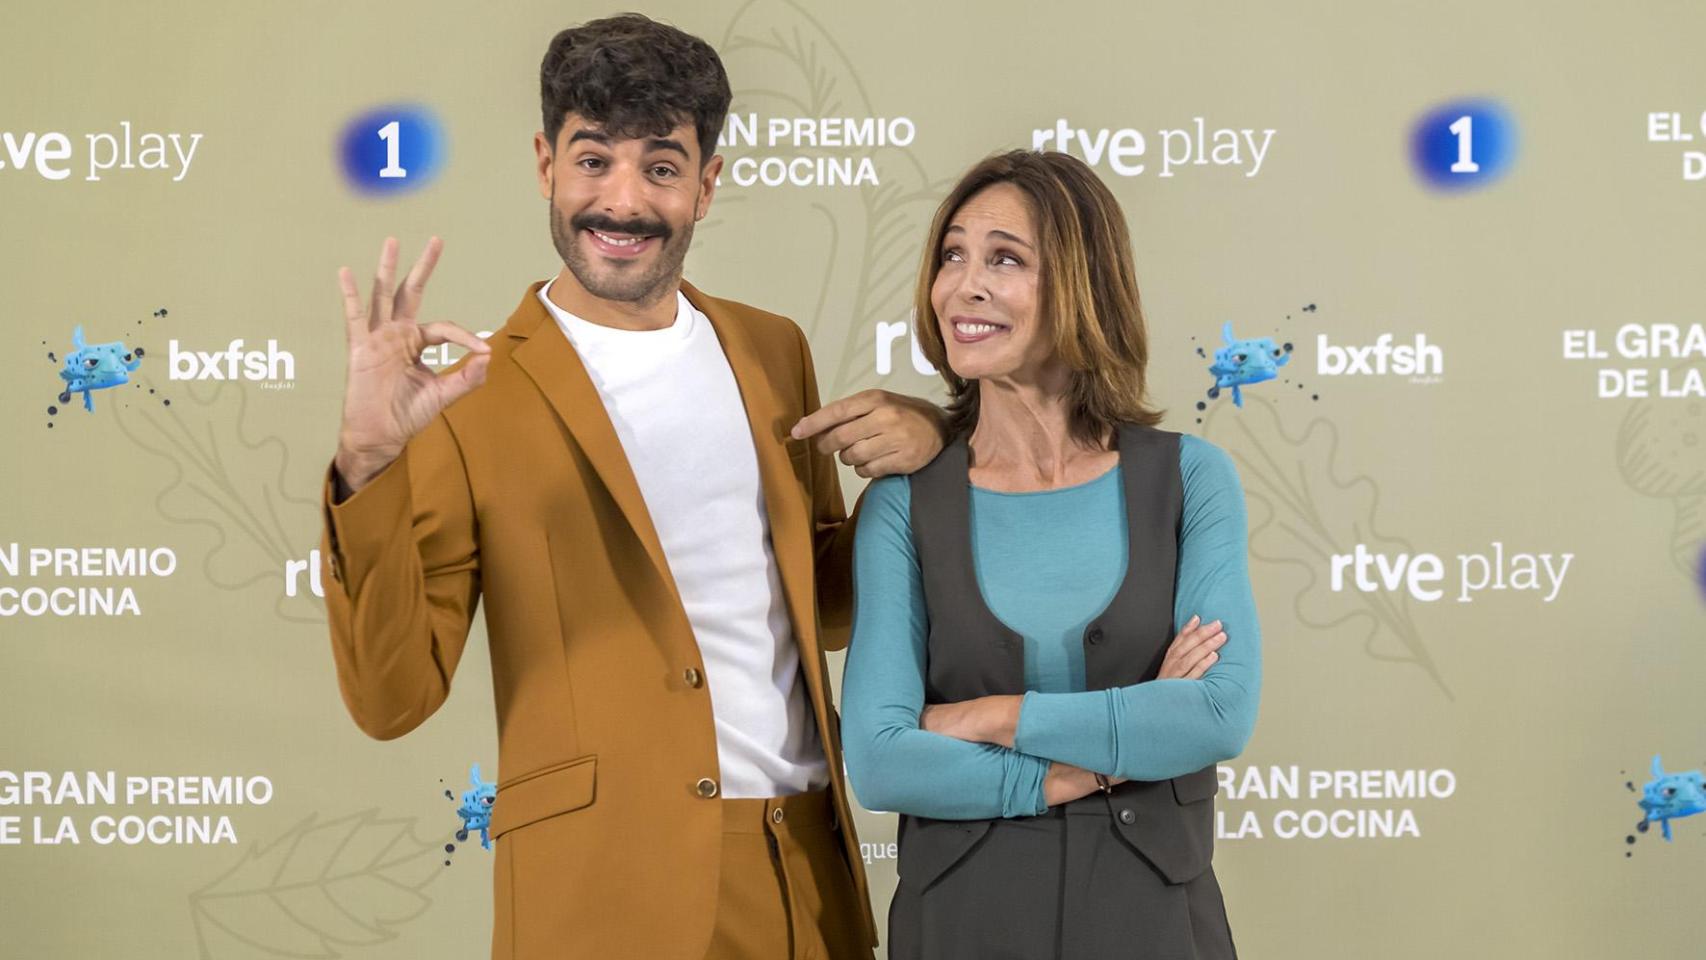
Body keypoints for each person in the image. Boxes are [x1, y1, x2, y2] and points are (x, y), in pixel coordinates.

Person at [318, 14, 947, 960]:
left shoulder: (772, 348)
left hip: (802, 870)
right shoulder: (468, 395)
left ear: (706, 184)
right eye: (593, 161)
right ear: (545, 165)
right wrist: (368, 465)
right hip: (600, 890)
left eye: (659, 167)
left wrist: (930, 454)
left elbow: (824, 604)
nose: (622, 201)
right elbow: (390, 697)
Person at [840, 150, 1261, 959]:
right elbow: (884, 761)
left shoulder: (1189, 479)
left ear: (1082, 283)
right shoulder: (903, 505)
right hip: (961, 925)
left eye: (1005, 259)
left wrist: (989, 718)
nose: (964, 285)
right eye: (952, 256)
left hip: (1156, 927)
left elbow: (1216, 712)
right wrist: (1090, 765)